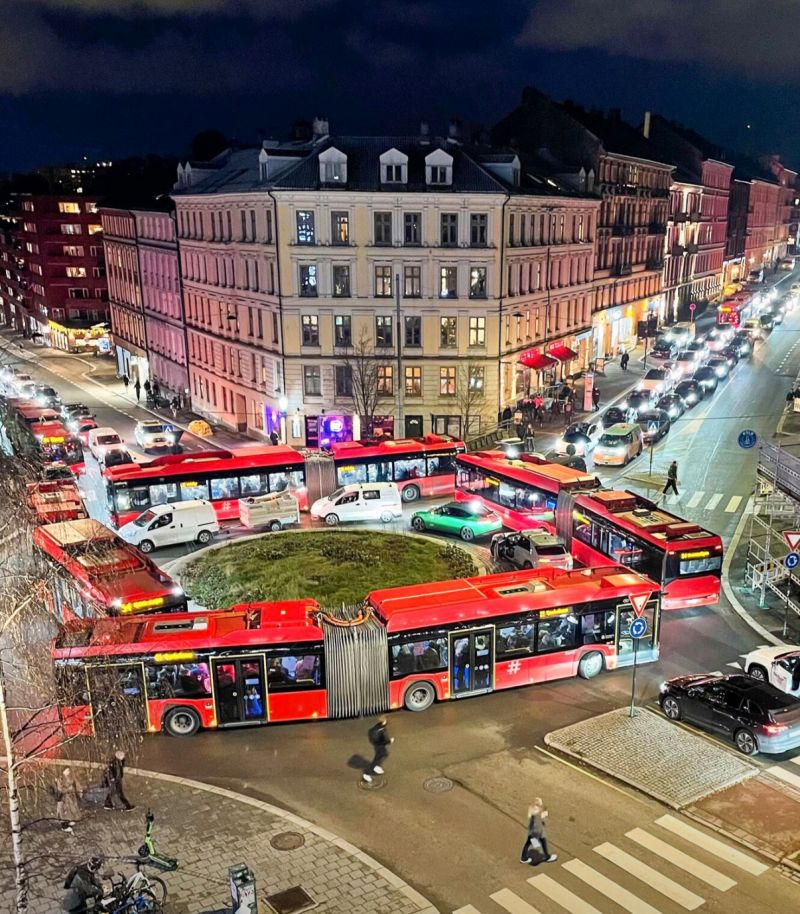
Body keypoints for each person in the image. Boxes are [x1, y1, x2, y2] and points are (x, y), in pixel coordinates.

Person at [520, 798, 557, 865]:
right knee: (542, 841)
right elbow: (540, 819)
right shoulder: (537, 812)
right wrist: (545, 813)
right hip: (537, 831)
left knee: (529, 843)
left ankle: (524, 858)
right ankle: (547, 857)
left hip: (532, 830)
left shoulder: (531, 809)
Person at [363, 717, 393, 783]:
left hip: (377, 745)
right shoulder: (381, 730)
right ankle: (367, 773)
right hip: (380, 745)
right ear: (384, 722)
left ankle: (376, 766)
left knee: (385, 754)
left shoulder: (376, 727)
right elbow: (383, 740)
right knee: (377, 758)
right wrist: (390, 741)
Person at [55, 767, 82, 833]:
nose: (68, 772)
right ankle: (64, 825)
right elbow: (61, 789)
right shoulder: (60, 779)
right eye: (67, 771)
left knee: (71, 808)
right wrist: (69, 788)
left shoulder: (70, 777)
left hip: (69, 797)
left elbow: (74, 784)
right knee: (64, 810)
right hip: (63, 798)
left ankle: (69, 820)